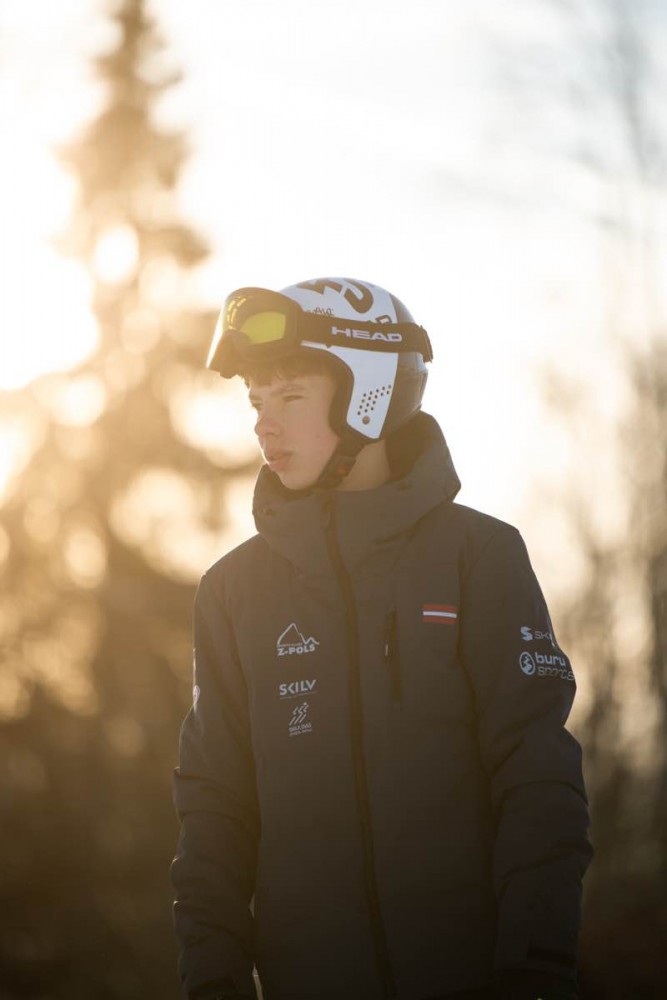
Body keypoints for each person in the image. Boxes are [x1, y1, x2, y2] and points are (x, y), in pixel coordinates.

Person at [170, 278, 593, 1000]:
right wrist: (213, 980)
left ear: (369, 393)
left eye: (290, 397)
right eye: (256, 403)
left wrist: (535, 967)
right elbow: (215, 809)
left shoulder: (479, 557)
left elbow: (536, 776)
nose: (264, 426)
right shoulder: (232, 592)